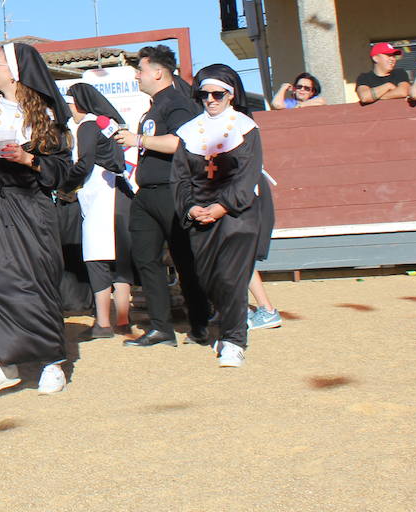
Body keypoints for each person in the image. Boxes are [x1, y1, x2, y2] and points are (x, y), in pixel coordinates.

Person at [0, 43, 73, 396]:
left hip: (30, 207)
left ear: (17, 72)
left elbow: (65, 172)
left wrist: (30, 161)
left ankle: (51, 361)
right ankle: (3, 360)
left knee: (34, 283)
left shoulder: (44, 115)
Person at [173, 64, 274, 368]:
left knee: (231, 278)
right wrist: (190, 207)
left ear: (230, 95)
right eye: (205, 94)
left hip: (236, 216)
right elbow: (179, 178)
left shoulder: (245, 128)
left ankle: (233, 341)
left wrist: (221, 207)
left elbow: (247, 178)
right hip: (200, 216)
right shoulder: (188, 132)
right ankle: (228, 325)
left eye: (218, 94)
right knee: (209, 279)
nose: (211, 99)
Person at [114, 44, 211, 348]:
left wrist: (137, 139)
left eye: (140, 70)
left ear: (158, 72)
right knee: (145, 259)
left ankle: (200, 323)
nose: (137, 76)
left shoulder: (177, 103)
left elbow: (182, 143)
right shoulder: (155, 106)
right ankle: (161, 328)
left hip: (173, 191)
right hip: (147, 193)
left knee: (184, 259)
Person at [65, 83, 134, 339]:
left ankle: (103, 323)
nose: (69, 108)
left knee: (97, 259)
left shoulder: (88, 126)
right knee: (121, 259)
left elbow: (84, 163)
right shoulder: (110, 124)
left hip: (100, 196)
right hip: (122, 194)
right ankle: (124, 319)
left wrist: (64, 185)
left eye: (71, 103)